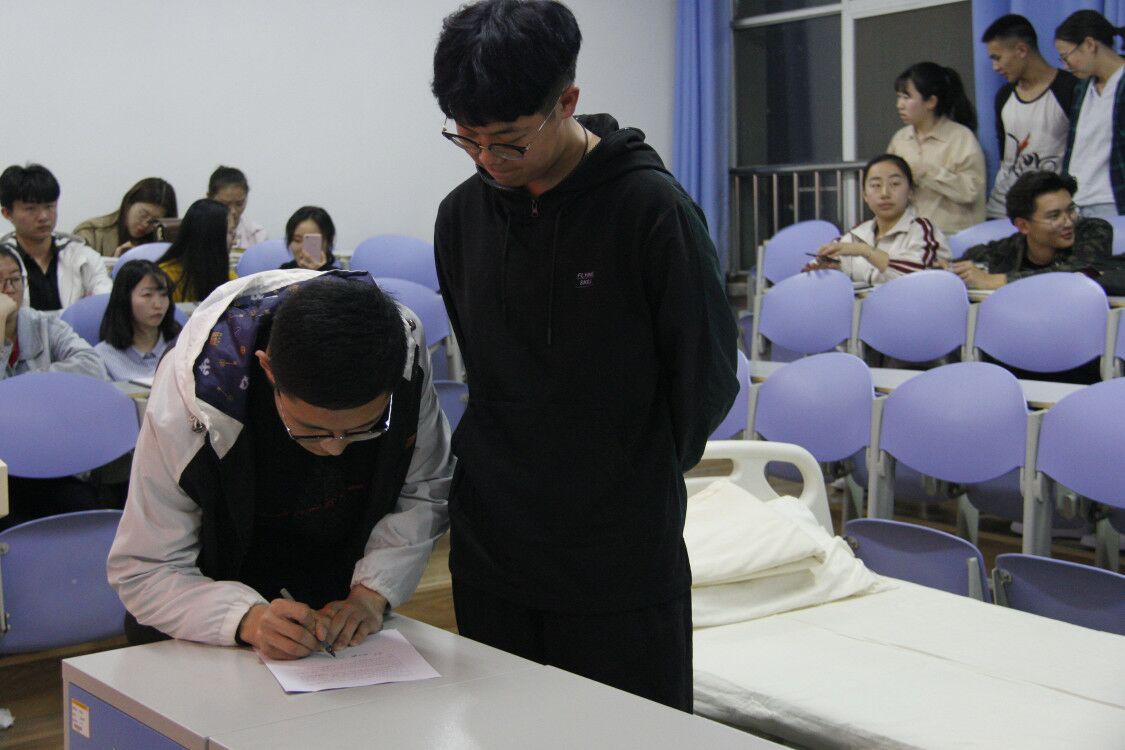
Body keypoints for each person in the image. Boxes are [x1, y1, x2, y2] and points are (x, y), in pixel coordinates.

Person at [430, 0, 738, 711]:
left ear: (566, 102)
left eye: (507, 141)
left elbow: (704, 375)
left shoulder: (649, 209)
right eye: (467, 139)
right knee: (503, 725)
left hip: (617, 549)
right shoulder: (461, 216)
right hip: (495, 542)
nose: (487, 161)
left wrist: (624, 467)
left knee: (628, 730)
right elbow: (484, 363)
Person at [107, 271, 453, 658]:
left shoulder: (400, 357)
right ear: (268, 369)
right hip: (202, 617)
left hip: (330, 608)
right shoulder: (194, 398)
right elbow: (146, 567)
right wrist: (246, 619)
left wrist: (371, 594)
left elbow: (425, 487)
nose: (335, 448)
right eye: (310, 430)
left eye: (362, 429)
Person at [982, 14, 1079, 219]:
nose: (995, 67)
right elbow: (1005, 159)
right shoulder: (1003, 97)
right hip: (1002, 210)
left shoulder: (1069, 89)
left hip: (1051, 211)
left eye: (997, 58)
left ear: (1021, 50)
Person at [952, 170, 1111, 289]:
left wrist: (998, 280)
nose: (1068, 222)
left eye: (1071, 210)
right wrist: (950, 269)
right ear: (1023, 226)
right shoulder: (1012, 247)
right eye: (1054, 216)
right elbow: (974, 256)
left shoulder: (1093, 230)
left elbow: (1082, 271)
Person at [804, 154, 949, 284]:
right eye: (876, 185)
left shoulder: (922, 230)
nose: (885, 193)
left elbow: (918, 276)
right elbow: (817, 266)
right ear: (865, 195)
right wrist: (827, 270)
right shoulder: (857, 233)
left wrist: (865, 251)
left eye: (895, 184)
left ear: (910, 191)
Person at [887, 62, 987, 235]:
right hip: (910, 236)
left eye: (907, 97)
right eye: (898, 97)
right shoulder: (900, 139)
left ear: (931, 102)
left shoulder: (961, 137)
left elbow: (972, 192)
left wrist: (927, 172)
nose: (899, 105)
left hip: (954, 237)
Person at [0, 164, 112, 311]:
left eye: (49, 206)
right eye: (31, 209)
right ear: (7, 213)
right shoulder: (3, 260)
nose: (43, 217)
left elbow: (105, 304)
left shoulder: (81, 256)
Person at [1056, 10, 1125, 219]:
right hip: (1077, 202)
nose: (1065, 65)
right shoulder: (1082, 87)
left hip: (1112, 201)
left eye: (1066, 56)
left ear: (1089, 44)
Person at [94, 260, 181, 381]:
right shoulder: (101, 357)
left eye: (164, 294)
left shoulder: (181, 346)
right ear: (124, 299)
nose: (158, 304)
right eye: (147, 295)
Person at [157, 198, 237, 303]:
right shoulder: (166, 278)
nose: (235, 242)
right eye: (230, 232)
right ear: (212, 237)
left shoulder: (229, 279)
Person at [74, 177, 178, 257]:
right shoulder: (91, 234)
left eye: (154, 221)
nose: (146, 224)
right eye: (143, 214)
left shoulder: (162, 243)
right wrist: (115, 264)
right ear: (128, 204)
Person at [207, 166, 268, 251]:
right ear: (209, 198)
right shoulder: (195, 230)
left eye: (239, 204)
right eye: (225, 204)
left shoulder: (257, 234)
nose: (233, 211)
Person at [279, 206, 337, 271]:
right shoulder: (282, 273)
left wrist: (319, 271)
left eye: (312, 241)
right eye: (297, 240)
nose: (304, 249)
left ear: (328, 242)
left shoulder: (338, 275)